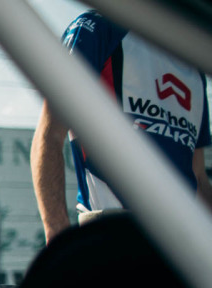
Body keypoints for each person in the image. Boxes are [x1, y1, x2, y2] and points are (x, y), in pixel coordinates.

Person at [31, 9, 212, 244]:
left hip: (182, 245)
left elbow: (198, 177)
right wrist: (58, 242)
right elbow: (49, 136)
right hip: (112, 237)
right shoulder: (97, 28)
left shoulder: (194, 70)